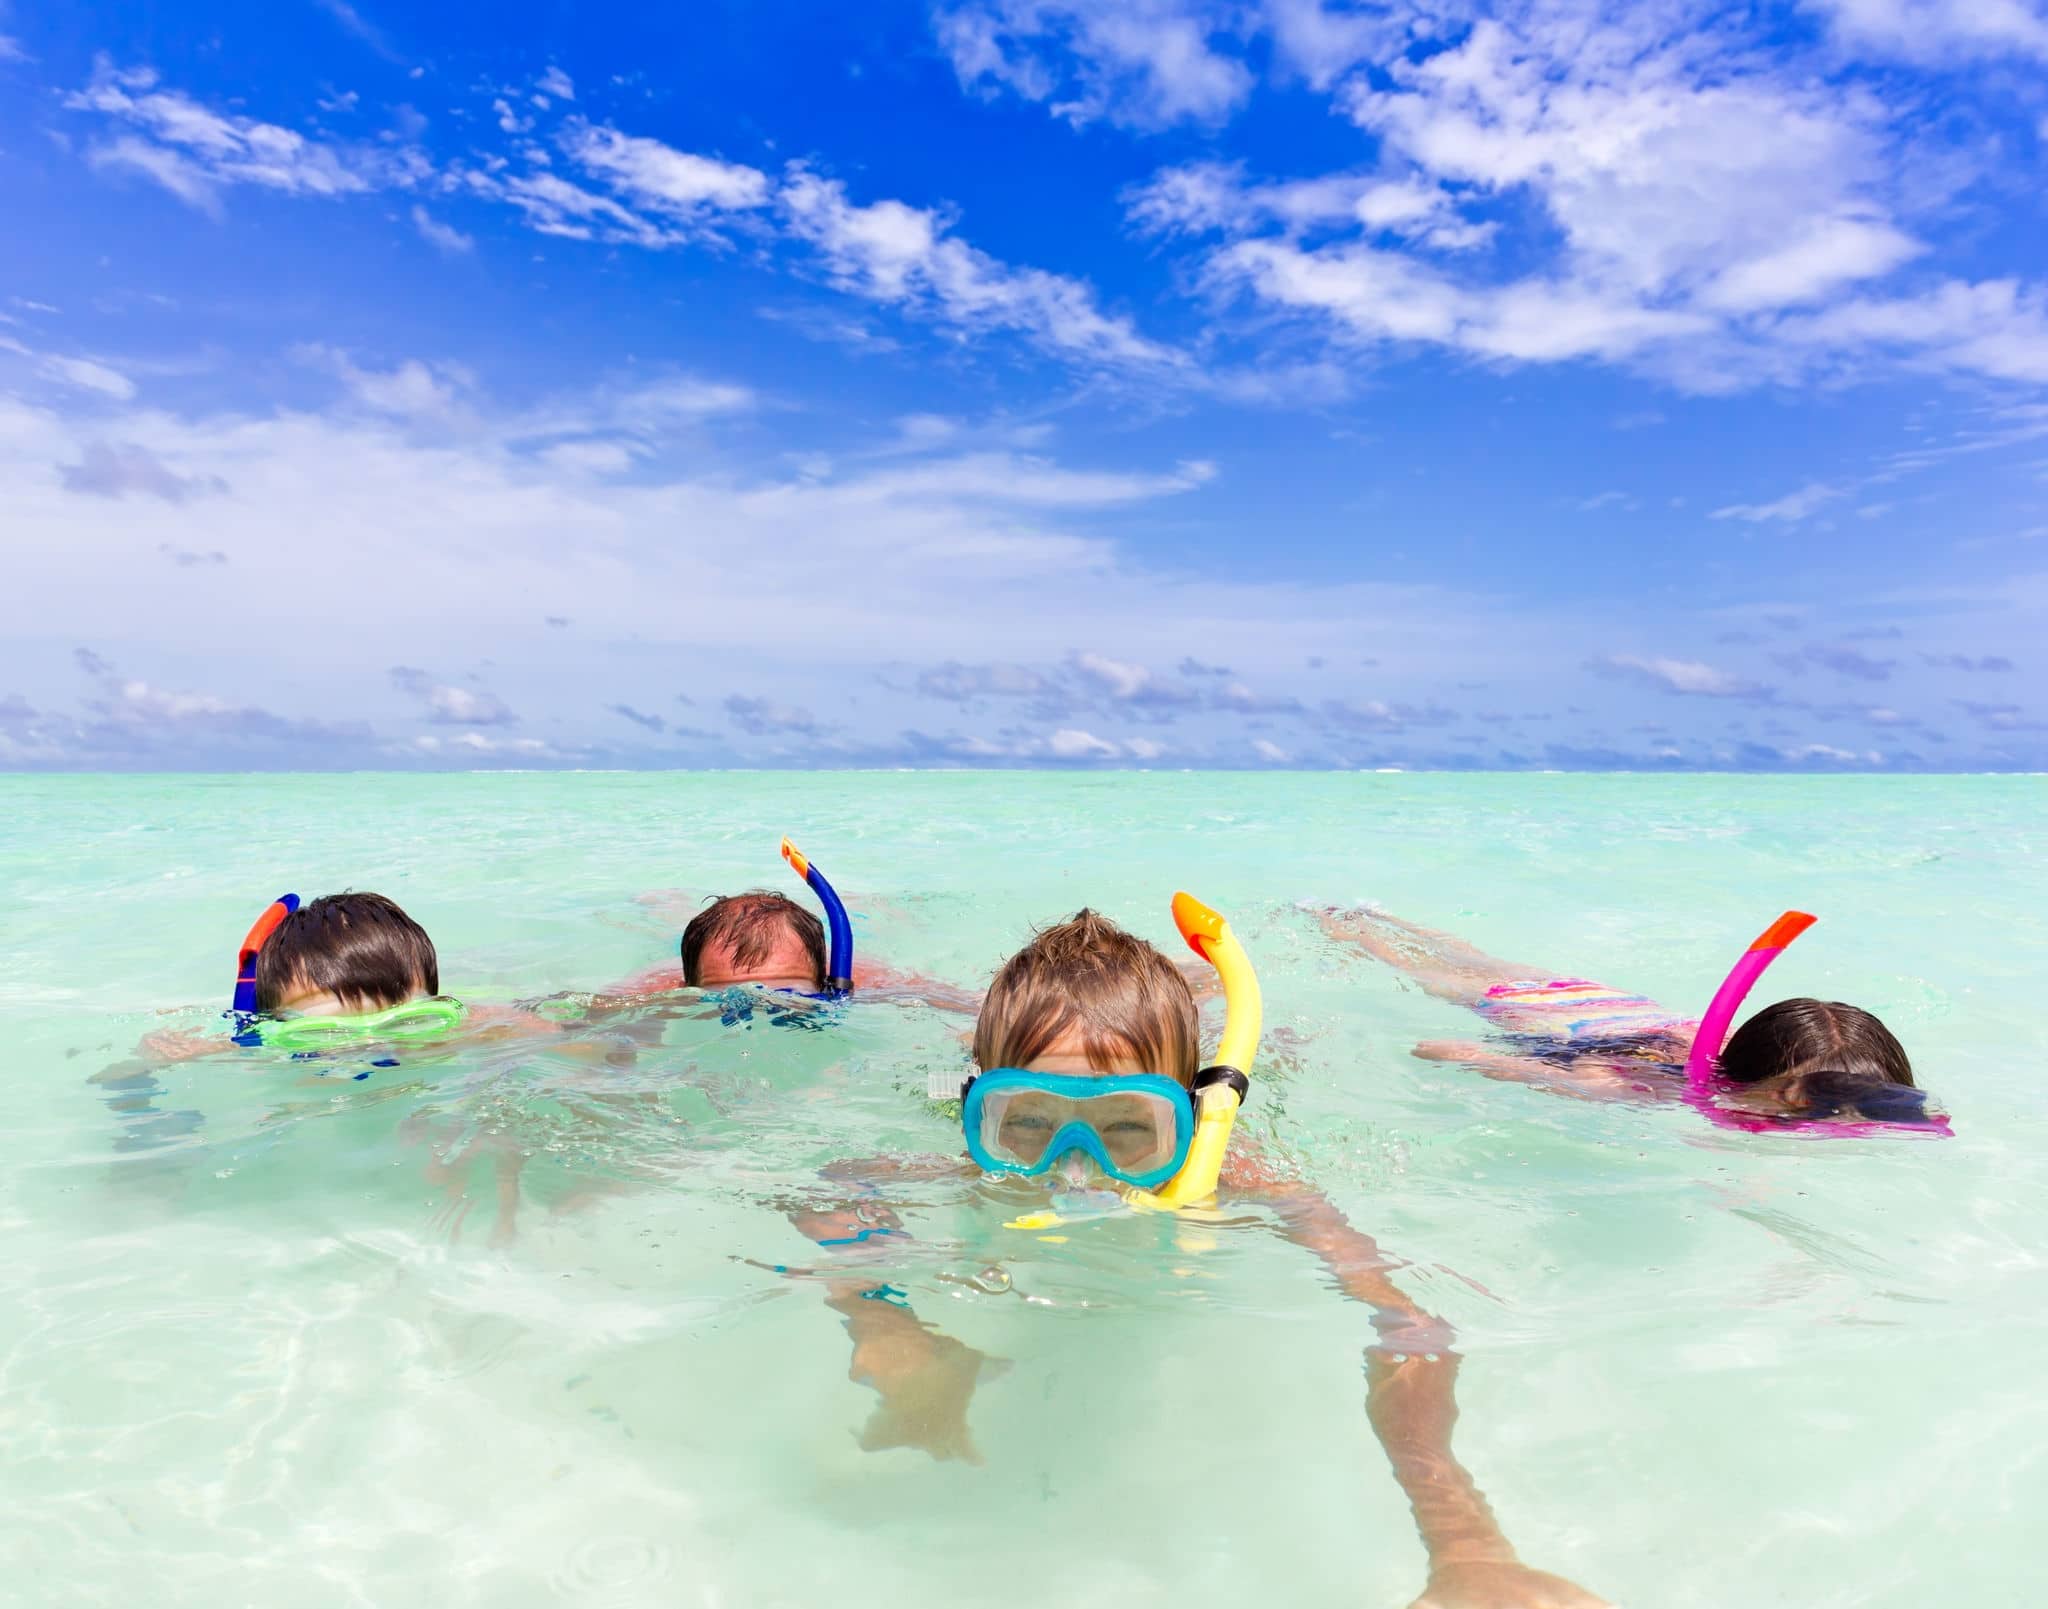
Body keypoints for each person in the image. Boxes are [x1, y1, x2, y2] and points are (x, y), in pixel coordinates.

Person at [787, 906, 1609, 1609]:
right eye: (1028, 1122)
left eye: (1128, 1128)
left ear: (1195, 1121)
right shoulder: (962, 1167)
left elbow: (1412, 1325)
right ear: (976, 1111)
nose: (1076, 1171)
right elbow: (824, 1188)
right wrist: (882, 1316)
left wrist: (1463, 1540)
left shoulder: (1251, 1183)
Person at [1316, 905, 1936, 1126]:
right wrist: (1482, 1062)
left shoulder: (1846, 1094)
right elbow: (1446, 1049)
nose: (1831, 1118)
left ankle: (1372, 917)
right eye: (1806, 1103)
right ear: (1748, 1078)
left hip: (1621, 1008)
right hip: (1554, 1023)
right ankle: (1355, 928)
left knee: (1477, 958)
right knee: (1439, 974)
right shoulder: (1634, 1091)